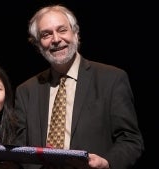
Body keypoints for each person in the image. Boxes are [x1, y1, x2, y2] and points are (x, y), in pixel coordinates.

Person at [13, 4, 144, 169]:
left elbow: (130, 139)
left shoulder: (111, 79)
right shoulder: (26, 91)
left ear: (75, 33)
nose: (56, 39)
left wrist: (107, 162)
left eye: (62, 30)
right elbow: (19, 149)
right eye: (46, 34)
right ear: (38, 44)